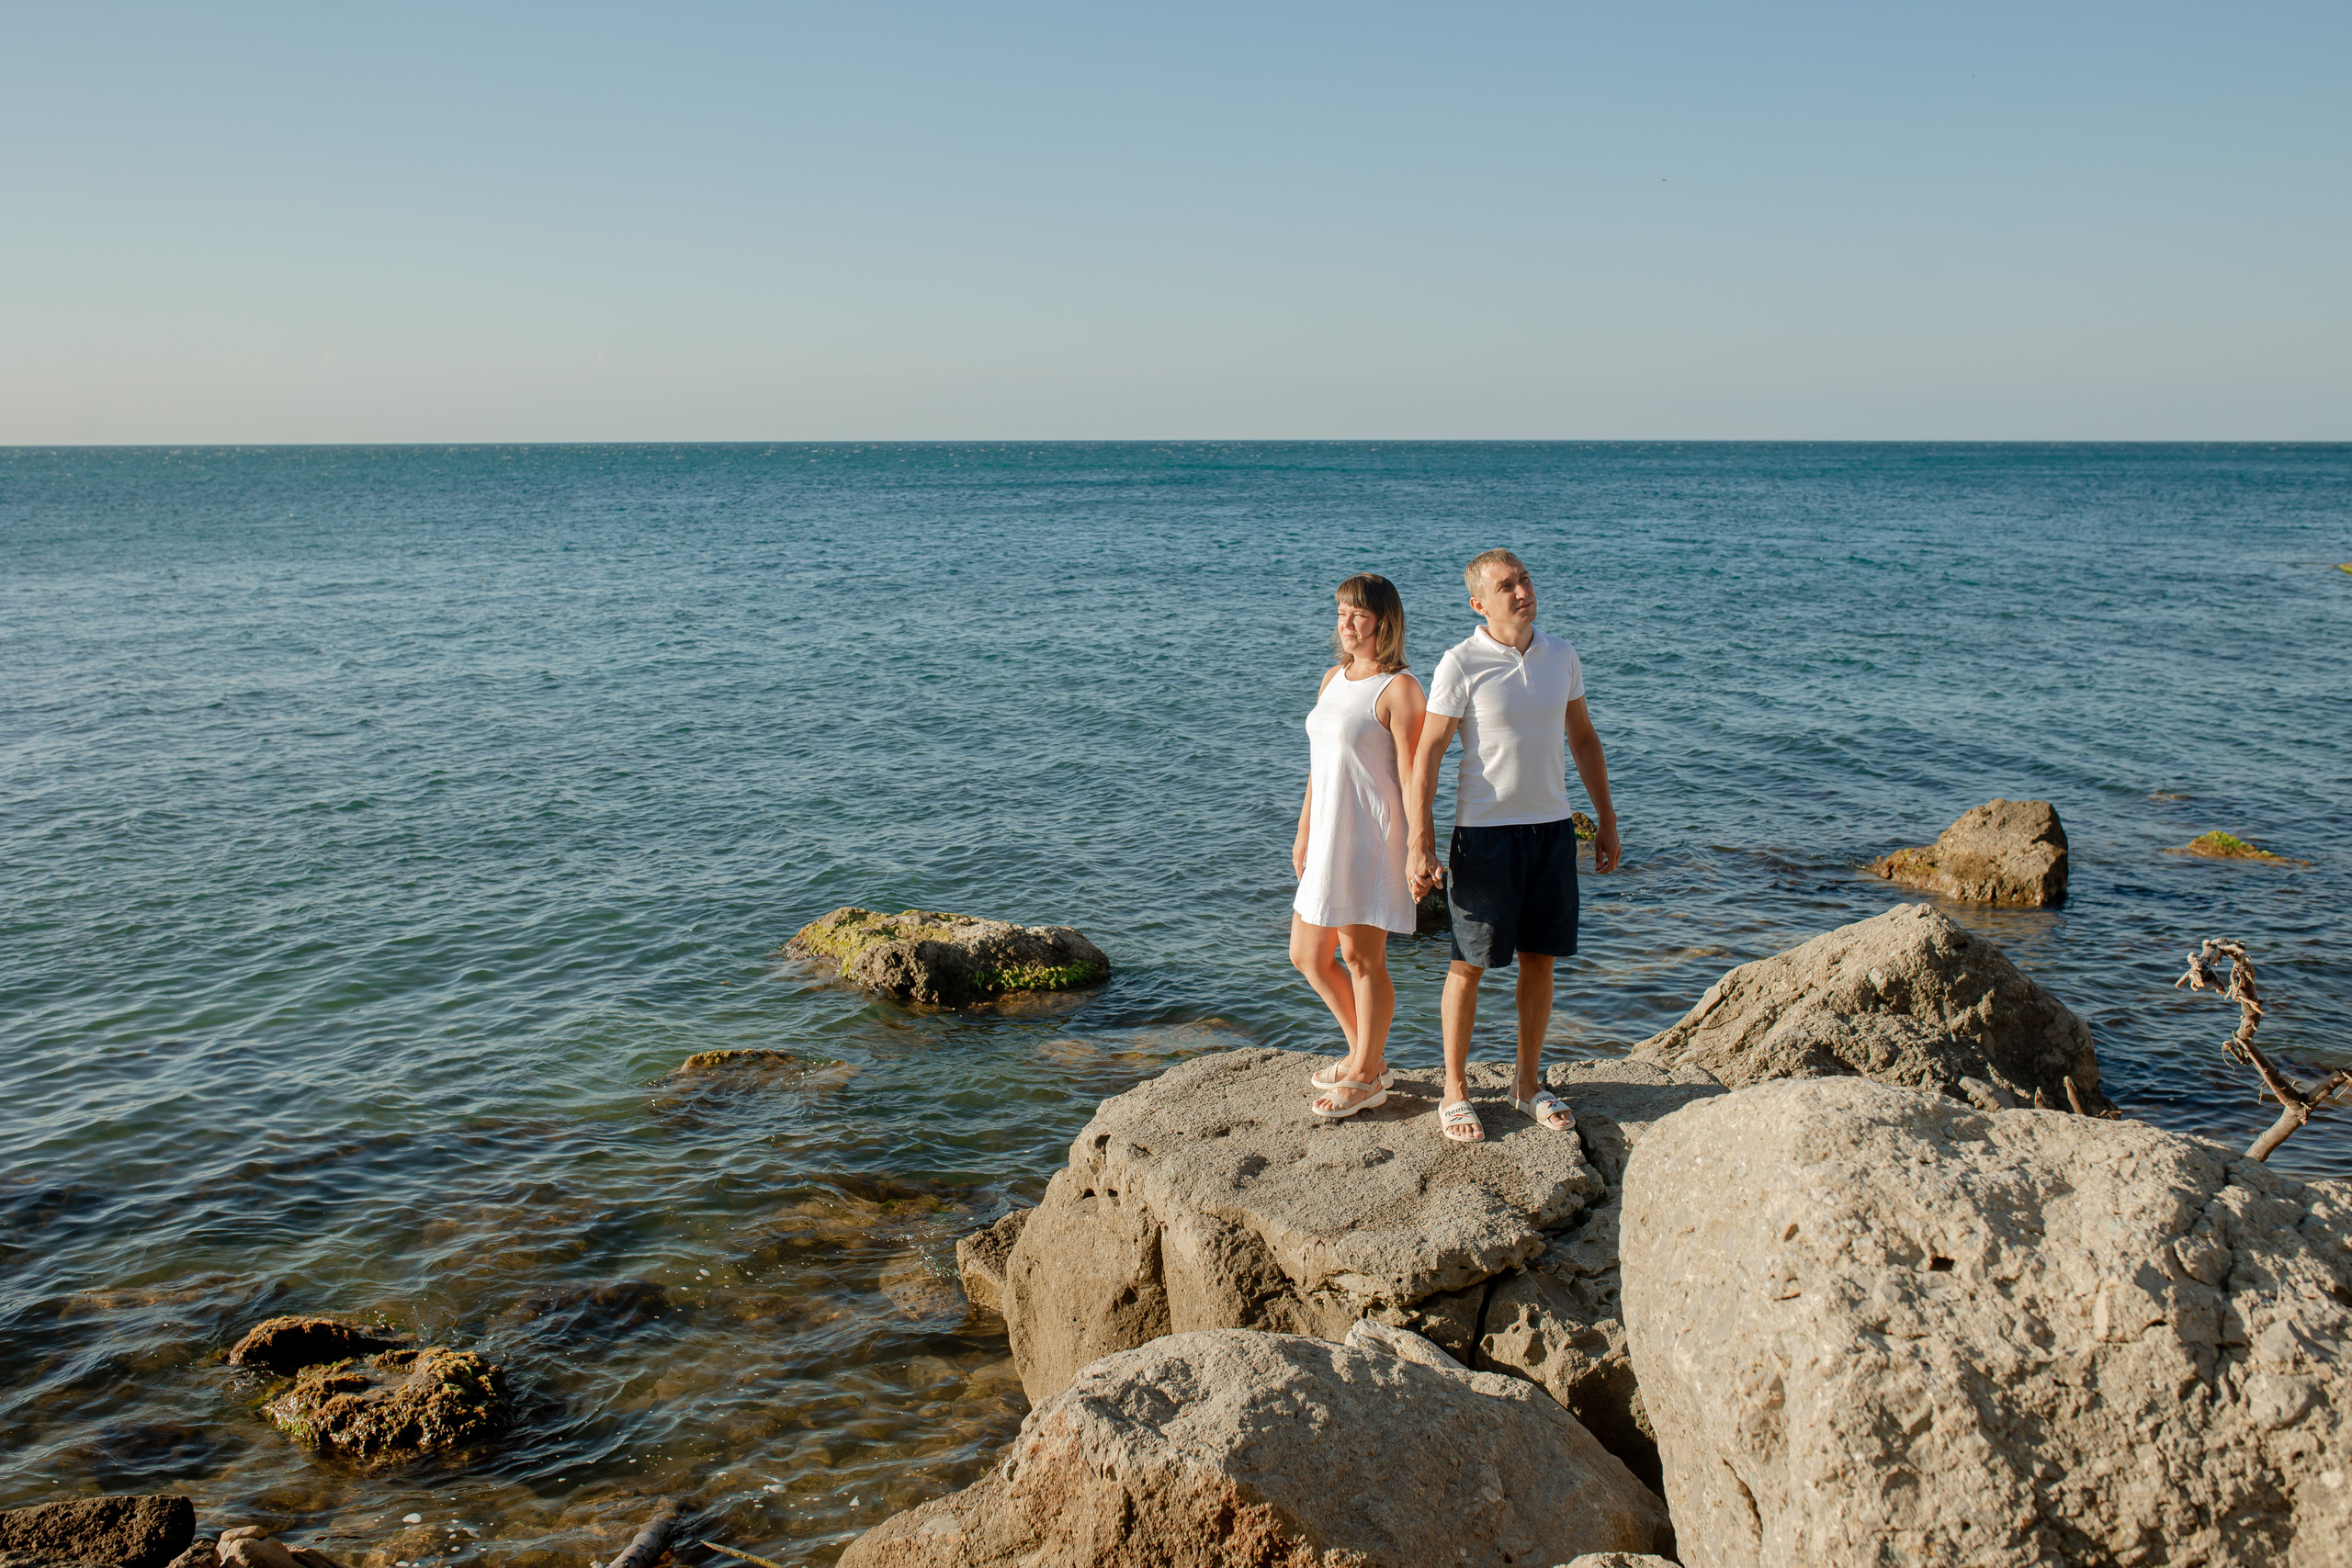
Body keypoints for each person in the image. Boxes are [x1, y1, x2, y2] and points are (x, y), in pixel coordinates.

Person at [1407, 549, 1619, 1143]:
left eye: (1525, 577)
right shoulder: (1461, 662)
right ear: (1480, 602)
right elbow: (1428, 753)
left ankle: (1526, 1084)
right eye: (1507, 585)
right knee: (1469, 963)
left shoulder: (1561, 655)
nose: (1522, 590)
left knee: (1540, 958)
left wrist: (1606, 818)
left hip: (1551, 829)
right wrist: (1419, 838)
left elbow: (1583, 737)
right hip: (1484, 834)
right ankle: (1455, 1089)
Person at [1291, 572, 1427, 1119]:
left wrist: (1421, 846)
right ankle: (1366, 1056)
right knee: (1308, 955)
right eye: (1341, 612)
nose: (1346, 624)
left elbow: (1416, 777)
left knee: (1361, 958)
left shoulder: (1400, 688)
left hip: (1371, 837)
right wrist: (1303, 829)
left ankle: (1366, 1073)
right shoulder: (1333, 678)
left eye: (1358, 614)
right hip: (1327, 832)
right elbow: (1319, 766)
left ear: (1383, 621)